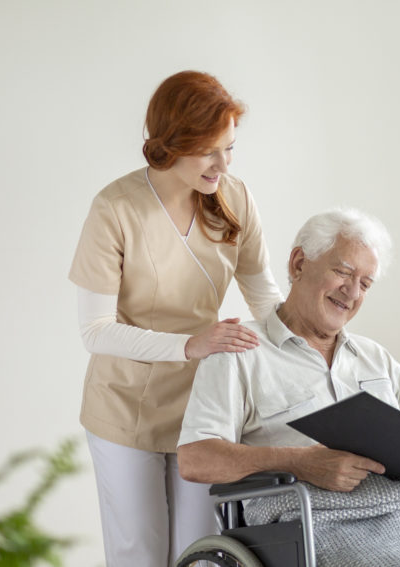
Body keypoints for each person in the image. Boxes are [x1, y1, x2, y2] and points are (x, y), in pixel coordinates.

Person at [177, 209, 400, 566]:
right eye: (342, 272)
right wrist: (301, 462)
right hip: (317, 525)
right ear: (298, 264)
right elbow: (194, 459)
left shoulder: (377, 359)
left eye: (365, 283)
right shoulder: (239, 351)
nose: (352, 291)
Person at [68, 70, 283, 567]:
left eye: (230, 148)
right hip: (126, 408)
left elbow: (264, 298)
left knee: (203, 554)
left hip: (204, 409)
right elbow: (94, 331)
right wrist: (190, 345)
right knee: (139, 554)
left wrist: (313, 345)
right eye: (210, 150)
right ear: (173, 143)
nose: (222, 164)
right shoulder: (115, 209)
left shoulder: (234, 197)